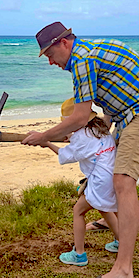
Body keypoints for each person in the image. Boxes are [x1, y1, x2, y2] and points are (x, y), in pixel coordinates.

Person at [23, 22, 139, 278]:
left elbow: (80, 117)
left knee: (123, 180)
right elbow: (116, 95)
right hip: (129, 112)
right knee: (110, 168)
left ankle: (124, 268)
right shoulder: (90, 51)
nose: (50, 62)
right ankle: (112, 221)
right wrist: (96, 133)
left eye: (49, 55)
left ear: (64, 43)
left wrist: (44, 136)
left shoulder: (81, 60)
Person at [42, 98, 120, 266]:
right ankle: (121, 242)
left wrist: (47, 143)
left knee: (79, 210)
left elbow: (66, 156)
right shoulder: (99, 129)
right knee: (107, 210)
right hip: (112, 175)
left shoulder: (81, 139)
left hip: (100, 180)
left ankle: (79, 255)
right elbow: (86, 145)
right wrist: (71, 138)